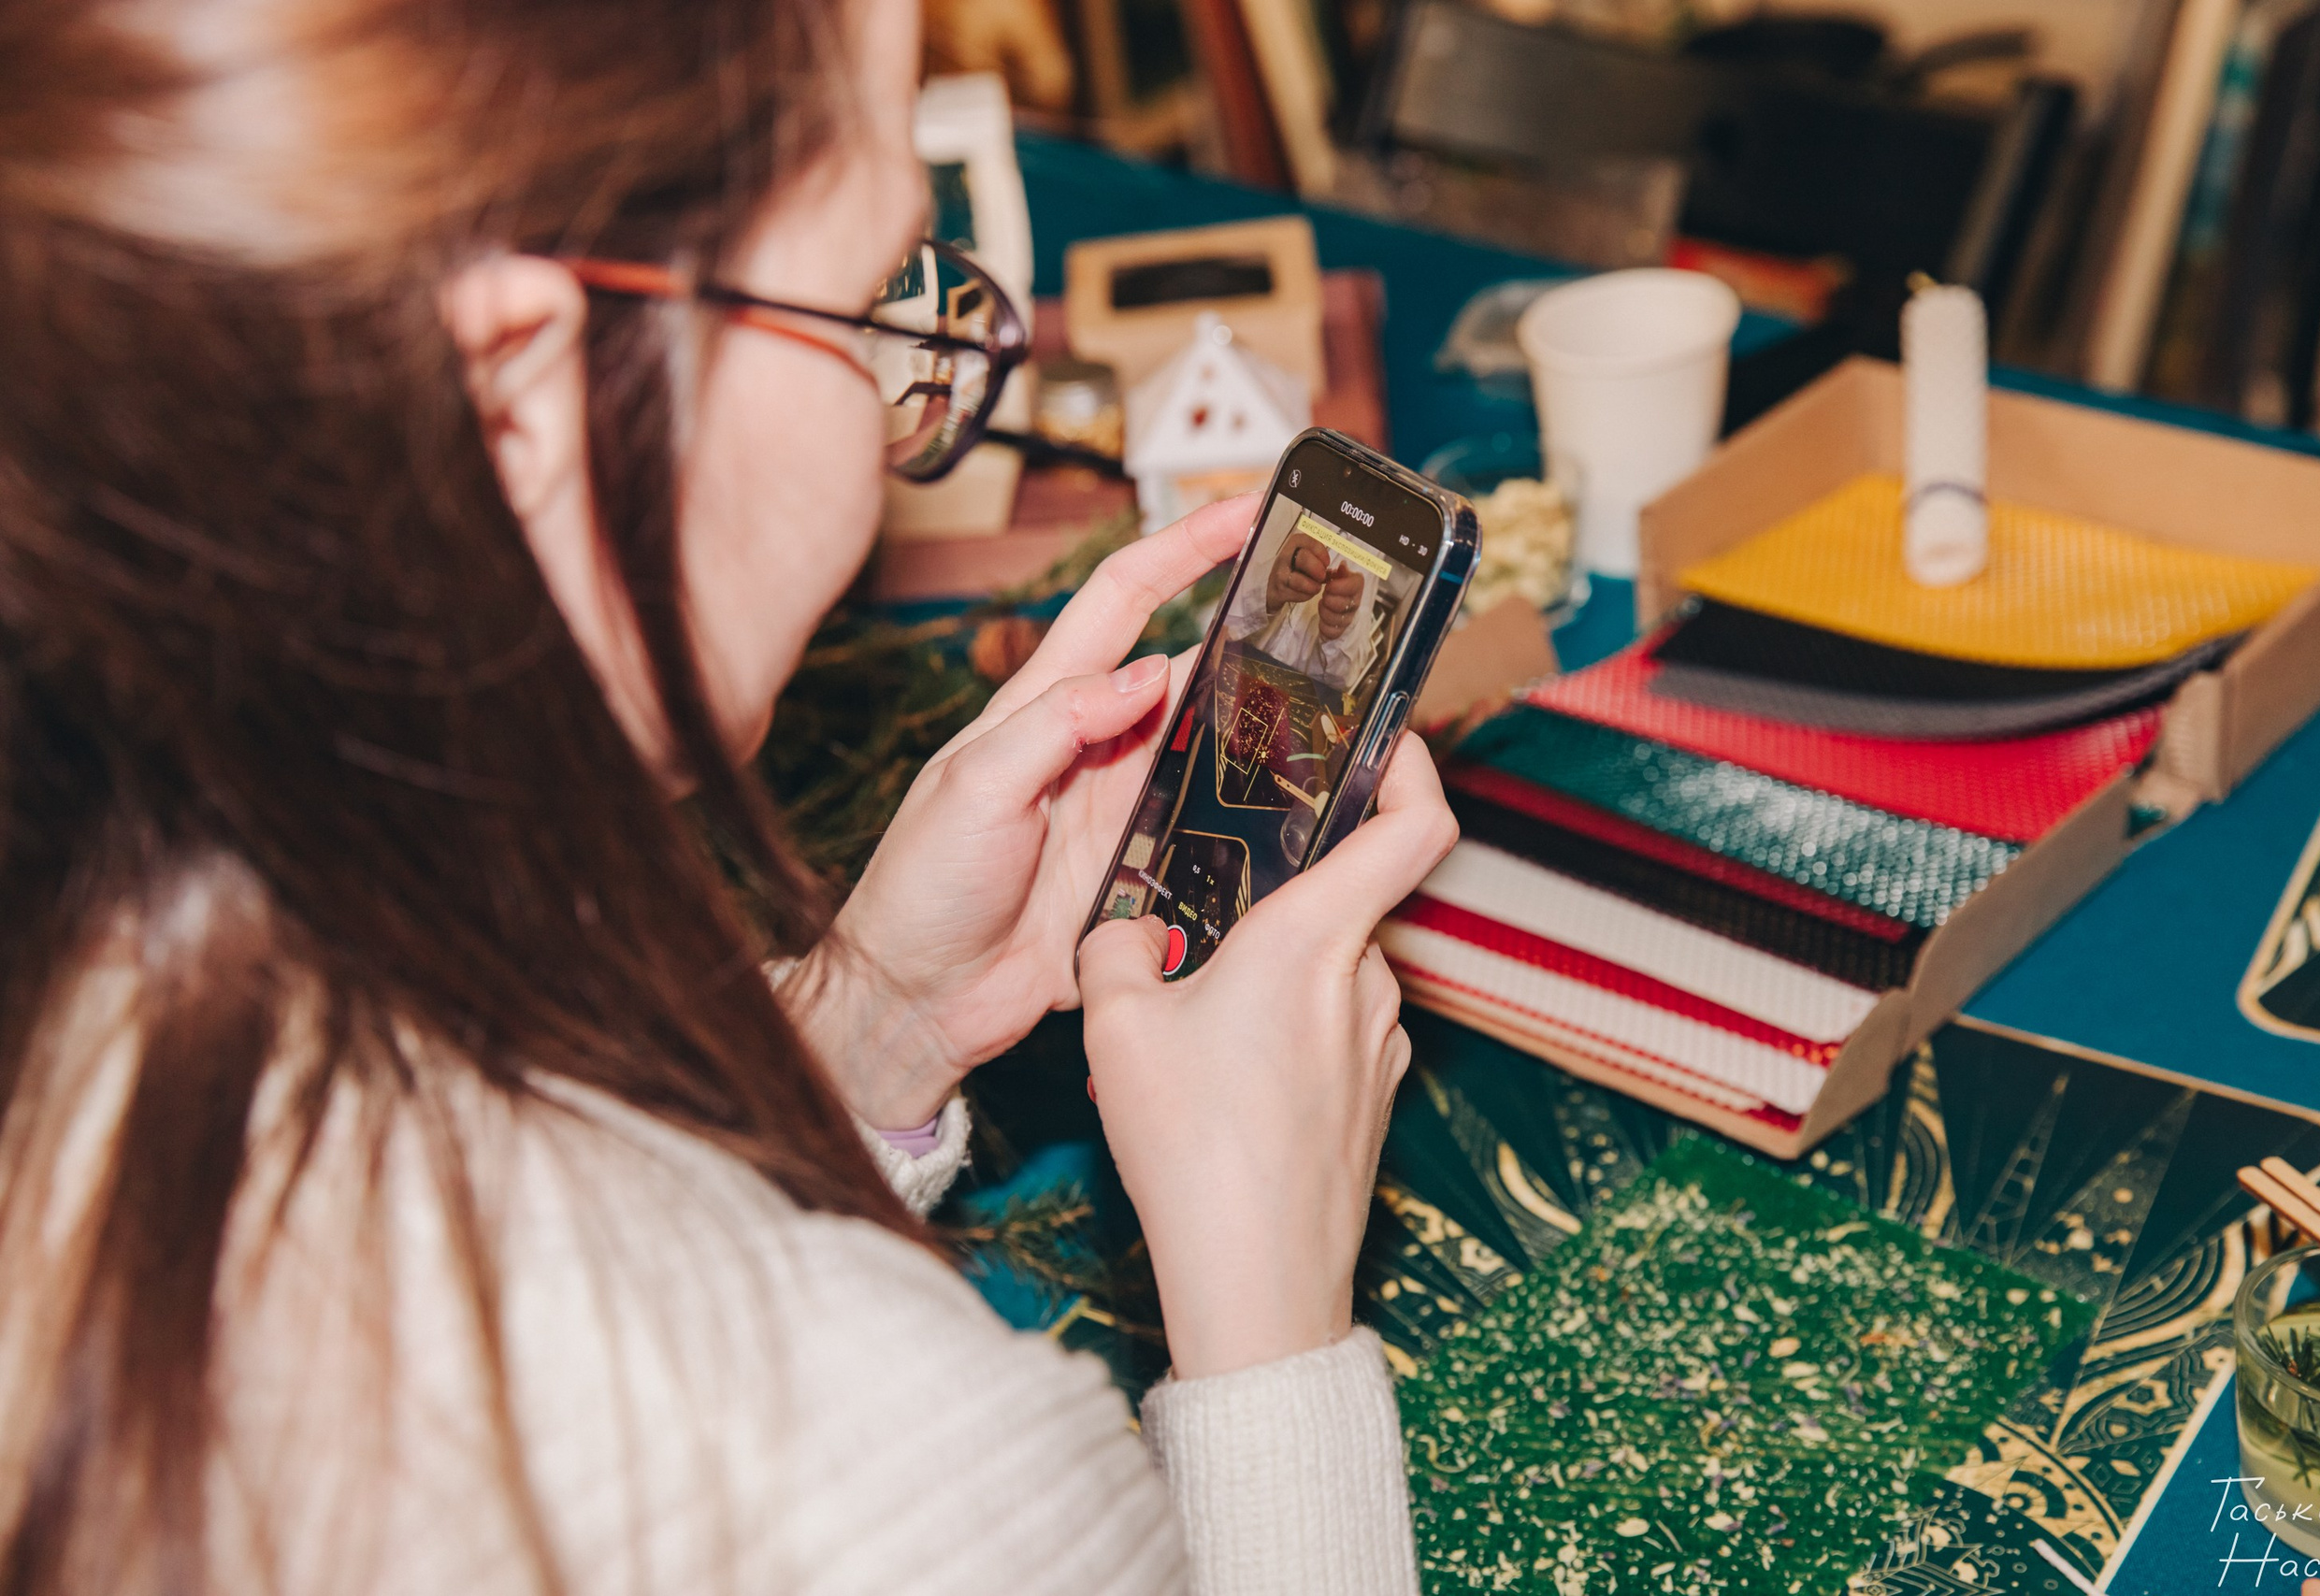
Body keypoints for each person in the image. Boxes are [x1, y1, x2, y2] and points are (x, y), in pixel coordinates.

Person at [0, 1, 1456, 1592]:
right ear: (518, 399)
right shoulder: (867, 1459)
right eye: (875, 301)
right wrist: (1268, 1340)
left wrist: (867, 1019)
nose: (909, 415)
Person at [1225, 523, 1381, 693]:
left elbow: (1343, 679)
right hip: (1222, 665)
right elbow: (1209, 604)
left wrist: (1338, 635)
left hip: (1285, 699)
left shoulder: (1374, 539)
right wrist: (1264, 590)